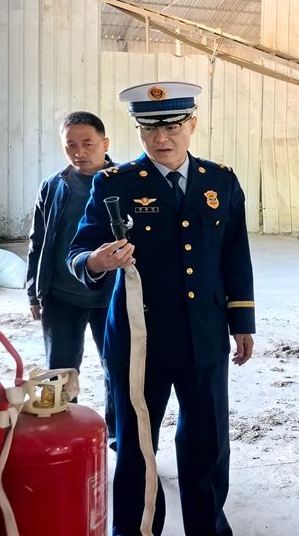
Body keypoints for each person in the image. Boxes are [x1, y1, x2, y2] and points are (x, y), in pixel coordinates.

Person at [67, 82, 255, 536]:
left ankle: (208, 529)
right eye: (149, 128)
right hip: (139, 341)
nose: (161, 138)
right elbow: (80, 251)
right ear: (138, 131)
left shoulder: (220, 181)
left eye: (172, 126)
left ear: (192, 124)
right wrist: (96, 261)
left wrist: (242, 322)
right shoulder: (115, 183)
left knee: (208, 445)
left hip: (204, 335)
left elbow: (235, 256)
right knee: (136, 448)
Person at [26, 111, 116, 435]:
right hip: (61, 296)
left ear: (105, 143)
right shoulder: (54, 186)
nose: (79, 152)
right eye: (71, 145)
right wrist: (34, 291)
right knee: (60, 372)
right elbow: (38, 242)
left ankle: (118, 437)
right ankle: (64, 436)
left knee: (118, 369)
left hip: (111, 298)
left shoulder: (126, 184)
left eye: (88, 143)